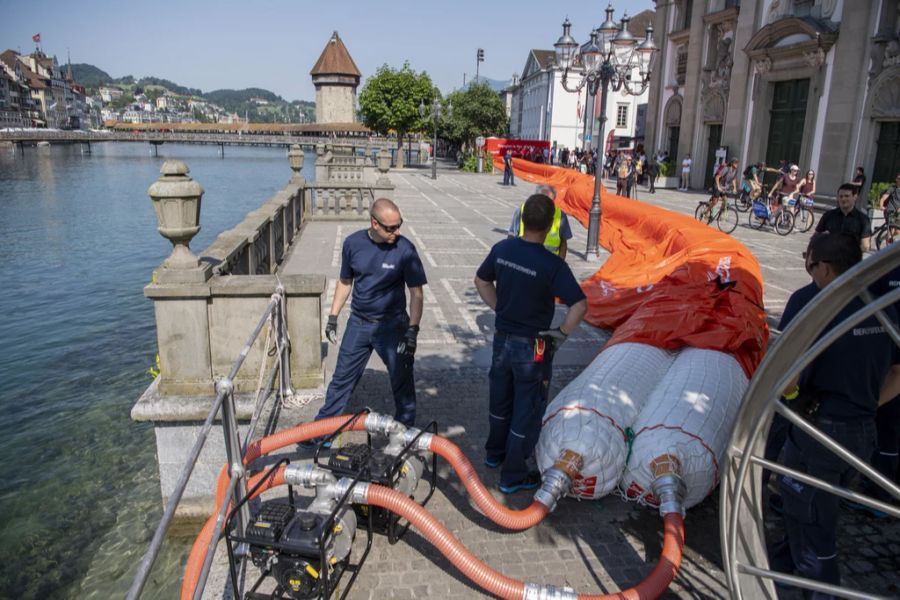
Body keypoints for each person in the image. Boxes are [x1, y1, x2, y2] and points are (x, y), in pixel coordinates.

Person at [768, 232, 900, 596]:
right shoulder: (882, 303)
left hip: (817, 435)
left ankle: (816, 587)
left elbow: (786, 374)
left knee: (812, 526)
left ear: (823, 267)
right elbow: (897, 373)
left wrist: (786, 399)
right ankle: (784, 566)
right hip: (860, 434)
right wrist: (867, 405)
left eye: (809, 261)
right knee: (820, 509)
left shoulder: (810, 301)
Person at [475, 194, 587, 493]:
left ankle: (493, 453)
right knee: (526, 408)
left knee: (500, 400)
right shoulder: (552, 265)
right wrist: (560, 334)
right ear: (551, 223)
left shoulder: (502, 249)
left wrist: (499, 307)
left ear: (522, 219)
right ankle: (513, 475)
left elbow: (481, 280)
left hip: (502, 342)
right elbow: (579, 305)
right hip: (533, 347)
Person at [303, 198, 427, 444]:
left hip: (393, 326)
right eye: (391, 228)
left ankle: (404, 432)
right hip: (359, 323)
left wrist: (412, 331)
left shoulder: (405, 250)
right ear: (374, 223)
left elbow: (416, 293)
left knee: (401, 380)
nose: (397, 232)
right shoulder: (353, 244)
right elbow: (345, 282)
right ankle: (323, 432)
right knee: (341, 379)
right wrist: (332, 317)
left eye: (399, 225)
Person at [507, 184, 574, 259]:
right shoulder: (522, 210)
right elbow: (512, 235)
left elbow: (563, 244)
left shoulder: (560, 215)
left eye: (550, 202)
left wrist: (560, 264)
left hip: (549, 262)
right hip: (524, 259)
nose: (546, 206)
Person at [815, 183, 872, 251]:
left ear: (855, 197)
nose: (843, 199)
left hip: (850, 259)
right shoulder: (828, 215)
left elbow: (865, 246)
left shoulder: (863, 219)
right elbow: (815, 237)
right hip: (828, 258)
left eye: (847, 196)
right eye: (841, 196)